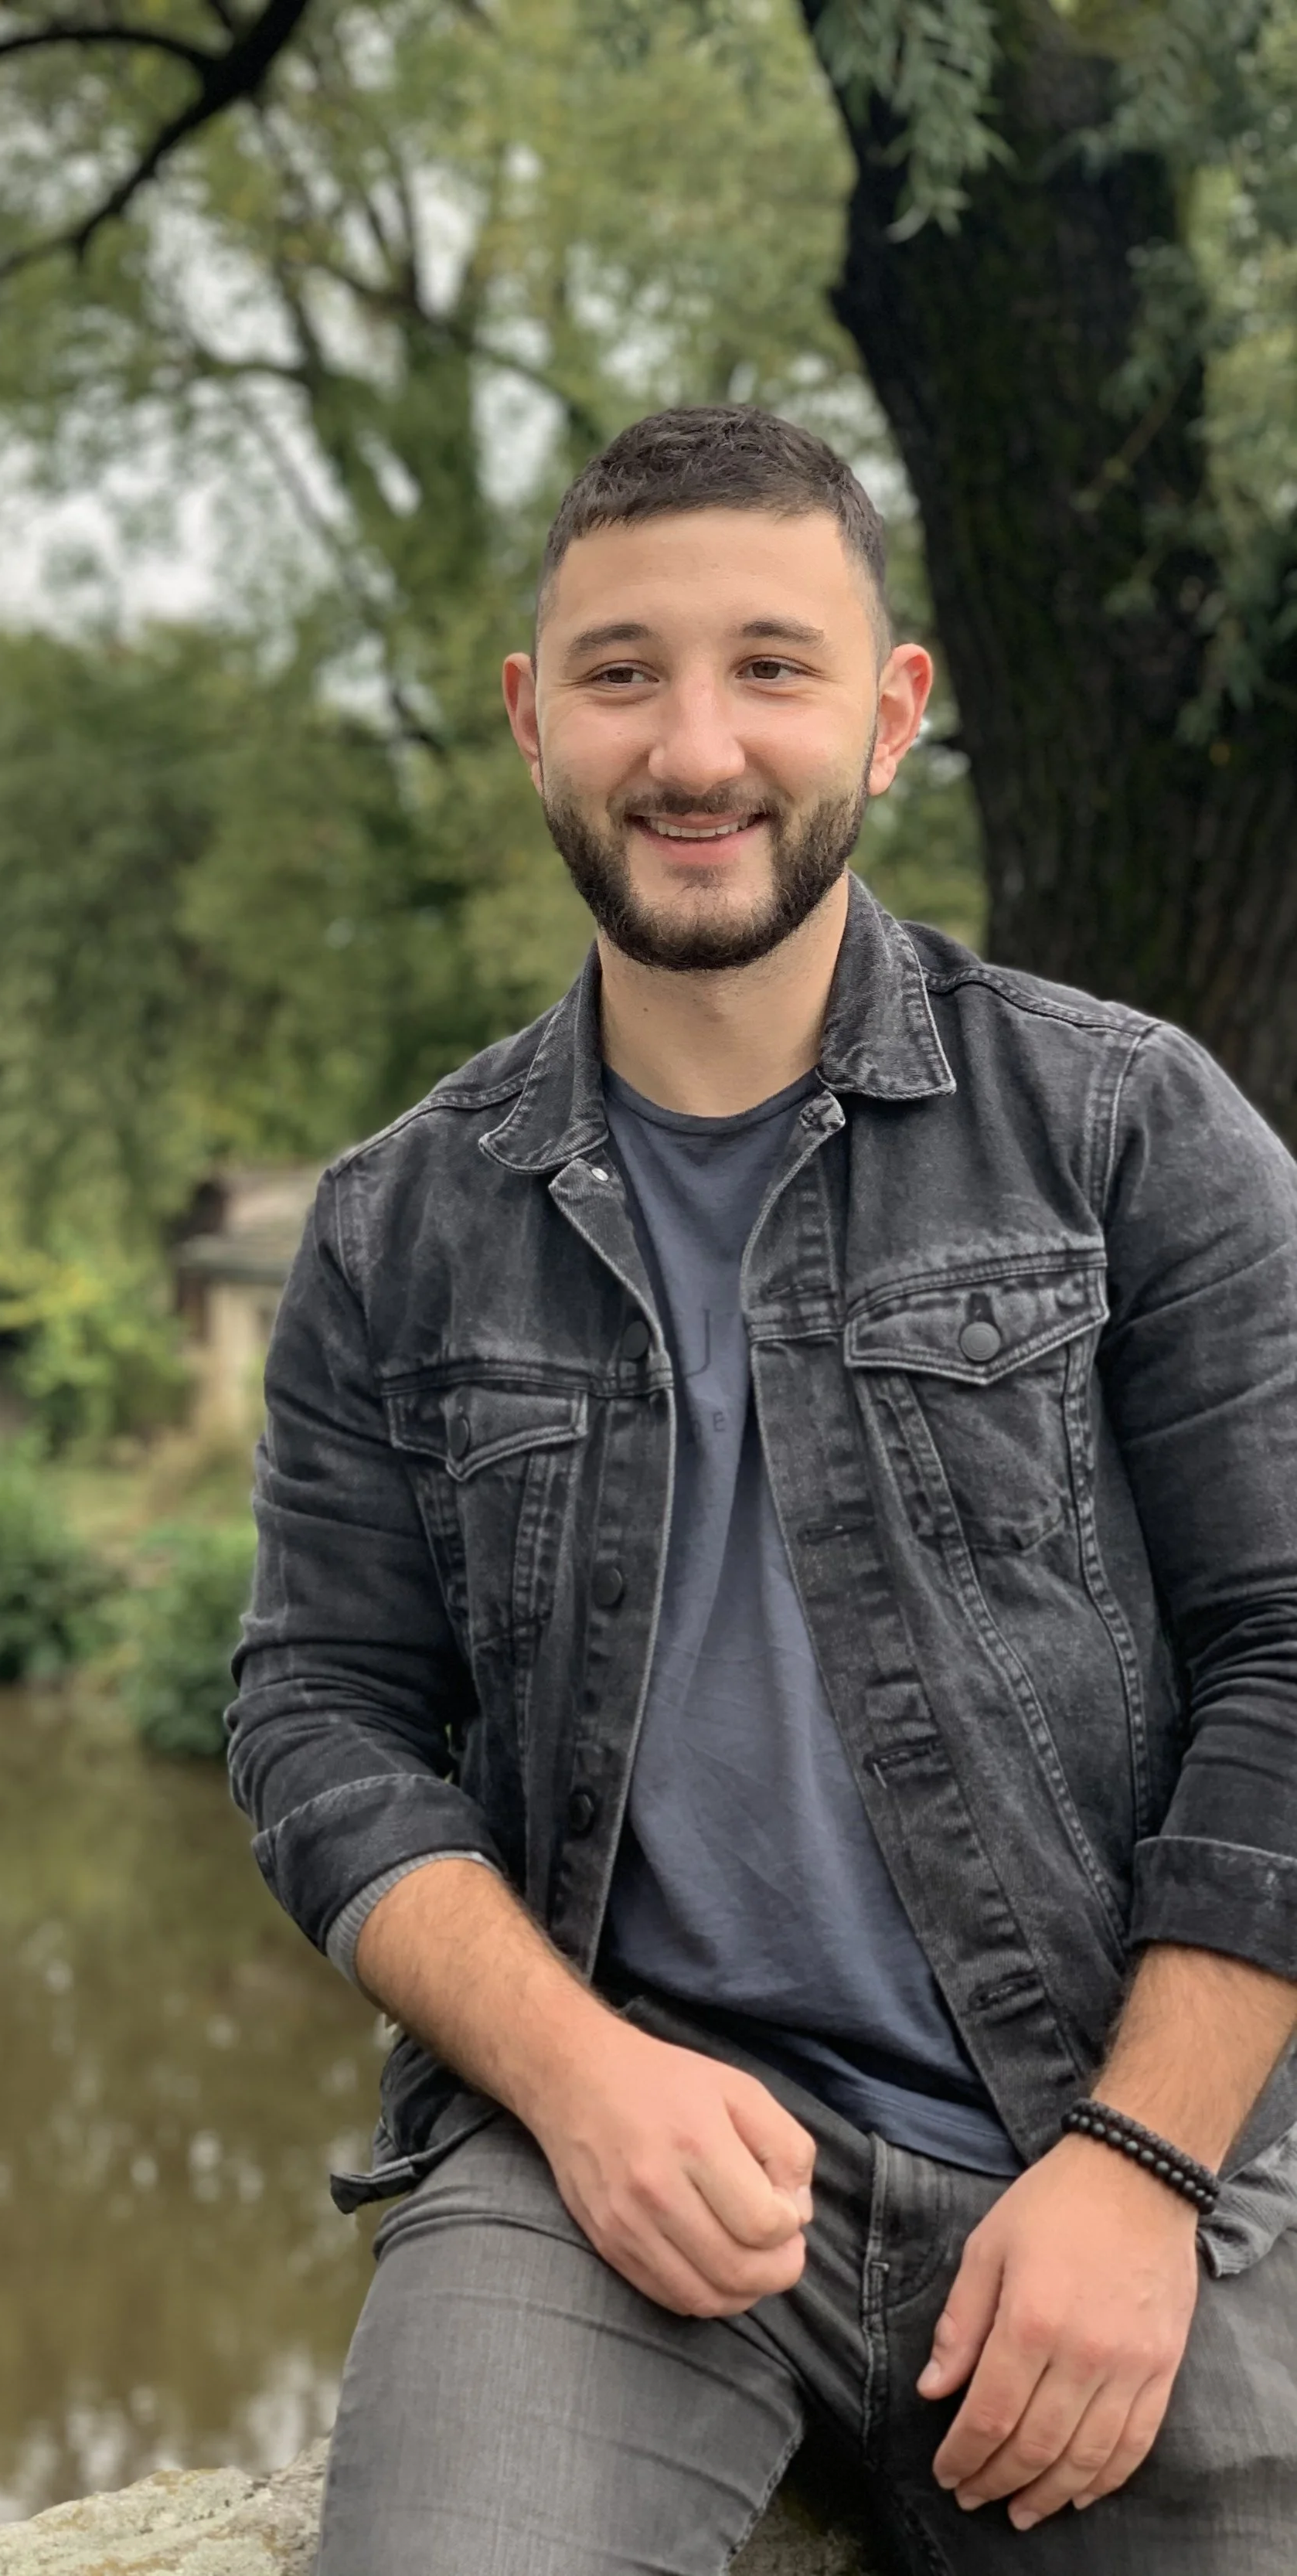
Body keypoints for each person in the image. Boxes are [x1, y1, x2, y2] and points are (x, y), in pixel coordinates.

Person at [225, 407, 1297, 2574]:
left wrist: (1140, 2162)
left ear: (890, 715)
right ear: (532, 720)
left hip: (1106, 2148)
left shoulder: (1125, 1130)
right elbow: (316, 1715)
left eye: (770, 667)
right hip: (612, 2171)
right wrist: (572, 2072)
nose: (693, 747)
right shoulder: (397, 1224)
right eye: (620, 672)